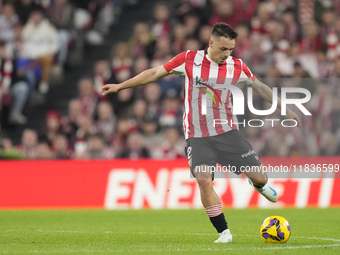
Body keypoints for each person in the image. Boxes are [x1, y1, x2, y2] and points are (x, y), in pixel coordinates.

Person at [101, 23, 301, 243]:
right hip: (197, 137)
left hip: (227, 133)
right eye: (223, 49)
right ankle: (224, 233)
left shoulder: (237, 66)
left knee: (261, 177)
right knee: (204, 180)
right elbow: (155, 72)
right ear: (211, 43)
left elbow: (260, 87)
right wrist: (121, 86)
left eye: (231, 49)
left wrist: (286, 109)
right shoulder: (189, 59)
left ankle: (257, 184)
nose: (227, 54)